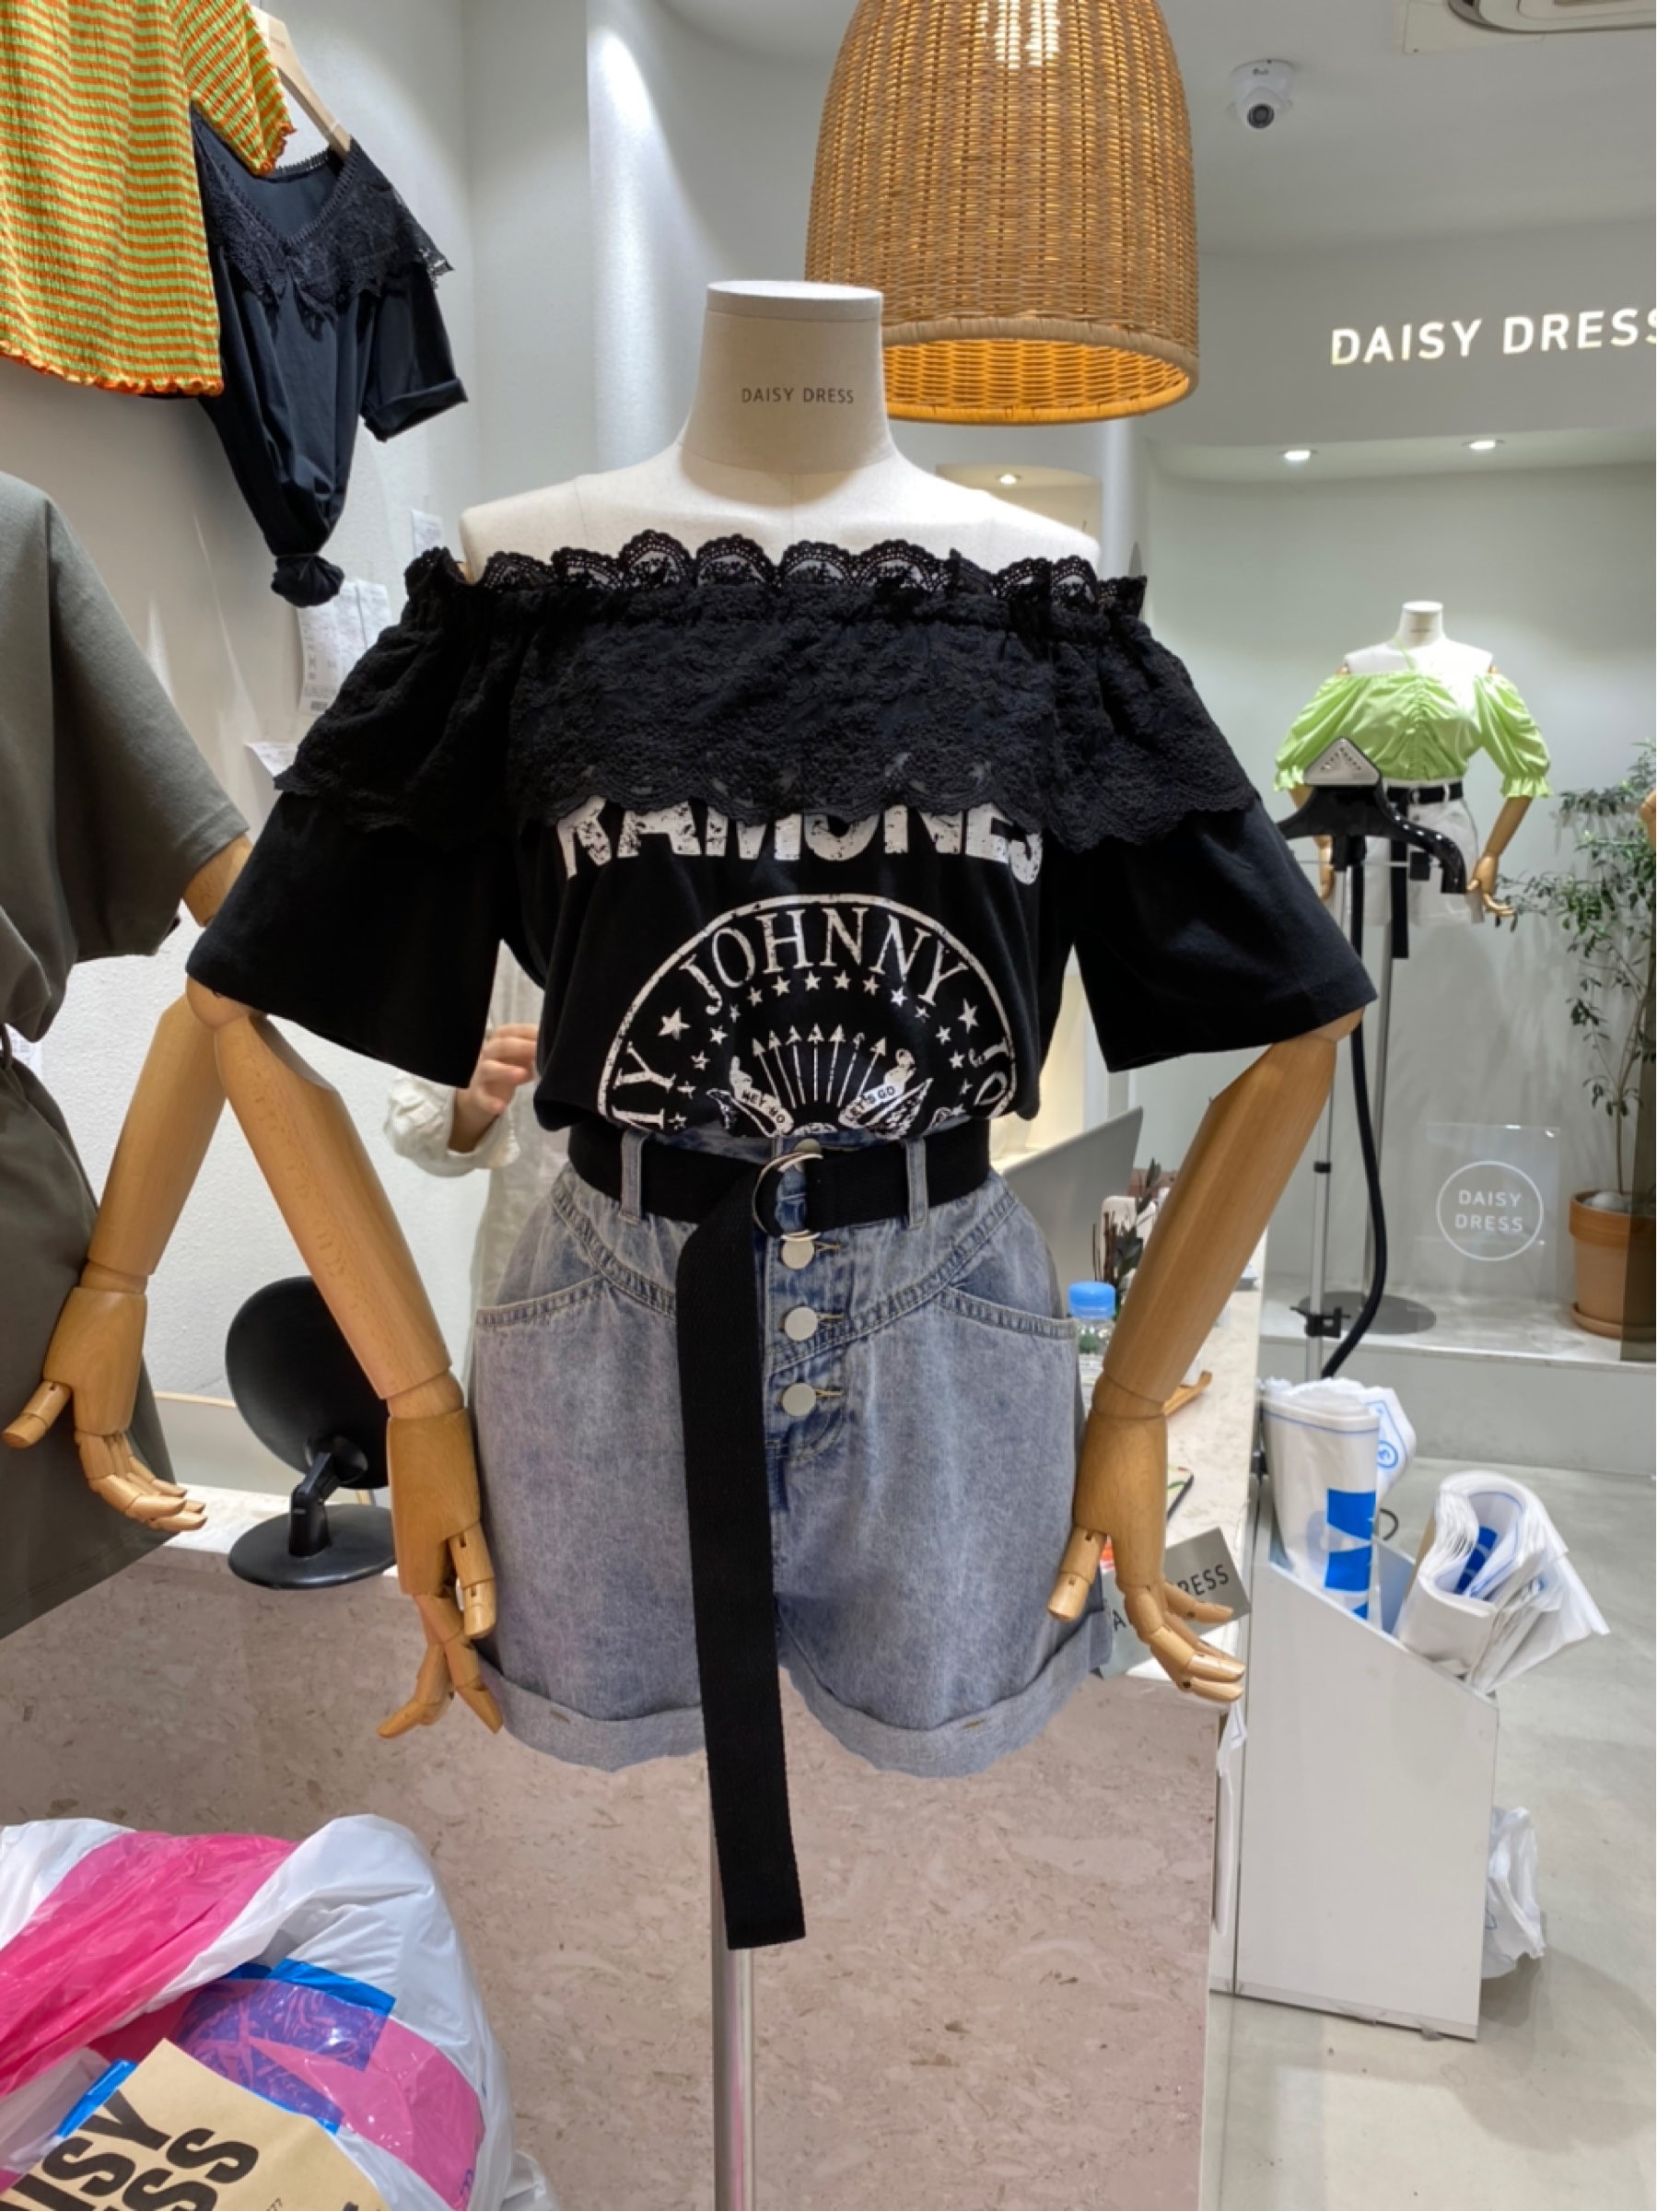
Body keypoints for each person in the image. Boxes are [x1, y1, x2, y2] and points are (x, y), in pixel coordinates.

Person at [385, 951, 564, 1322]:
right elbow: (416, 1122)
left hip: (689, 1263)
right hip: (534, 1268)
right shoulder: (513, 930)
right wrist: (471, 1103)